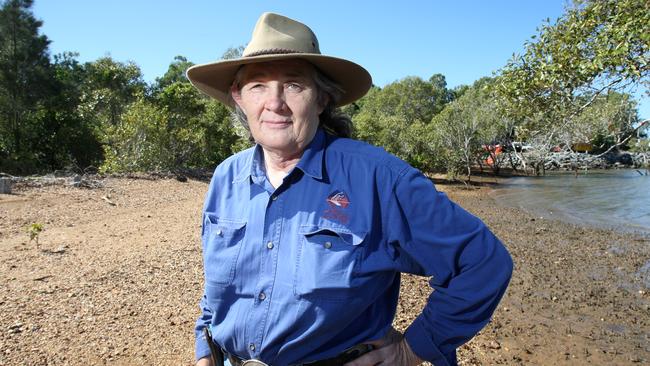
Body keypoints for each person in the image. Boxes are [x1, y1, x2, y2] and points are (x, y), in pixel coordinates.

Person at [187, 12, 512, 366]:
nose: (275, 102)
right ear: (238, 96)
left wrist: (413, 349)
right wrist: (206, 348)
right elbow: (219, 288)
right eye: (257, 86)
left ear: (322, 98)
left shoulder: (378, 178)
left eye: (294, 85)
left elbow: (483, 261)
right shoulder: (225, 178)